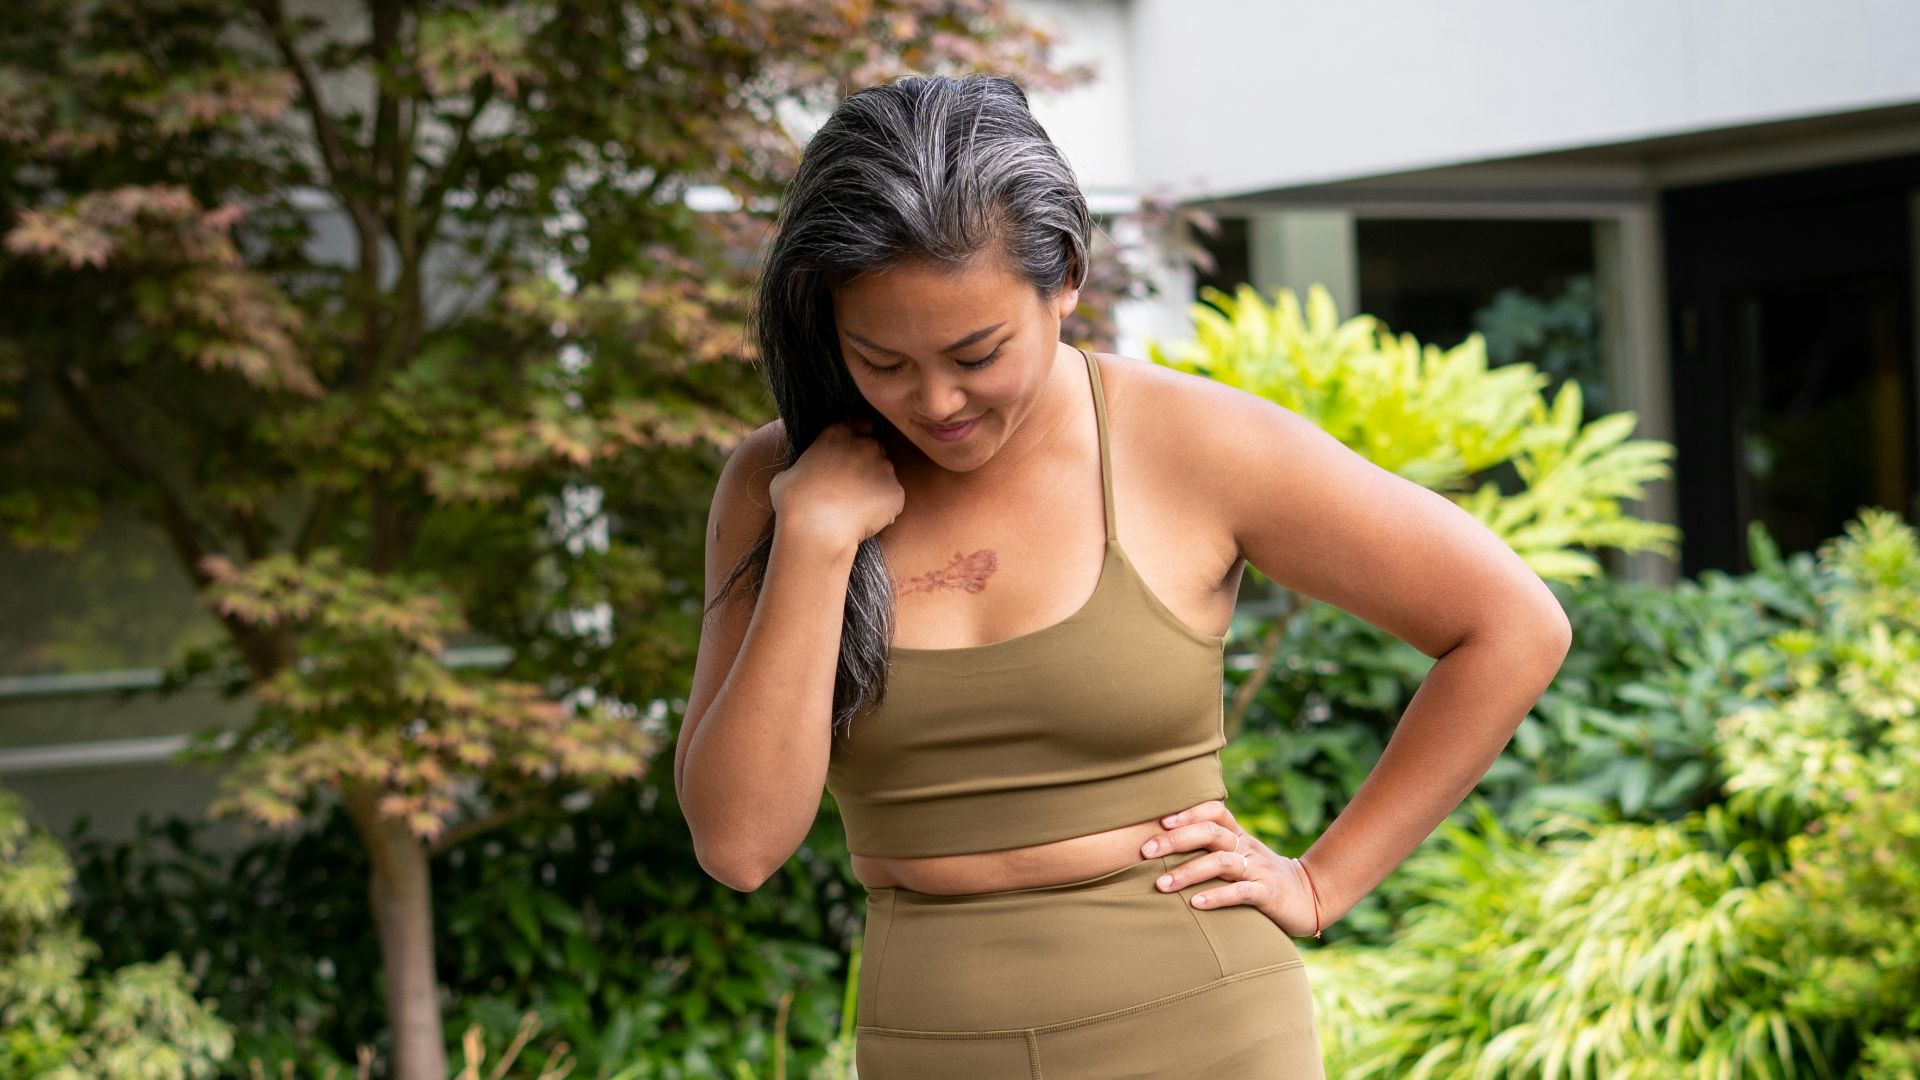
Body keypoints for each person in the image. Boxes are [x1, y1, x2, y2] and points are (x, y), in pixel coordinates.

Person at [676, 73, 1572, 1079]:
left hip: (1205, 1024)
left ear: (1063, 275)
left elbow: (1512, 623)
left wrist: (1323, 883)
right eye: (881, 360)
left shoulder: (1196, 443)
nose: (935, 402)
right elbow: (740, 845)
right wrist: (815, 541)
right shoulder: (781, 480)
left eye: (978, 353)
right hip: (930, 1039)